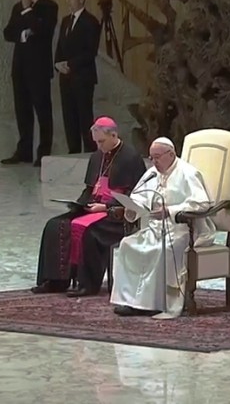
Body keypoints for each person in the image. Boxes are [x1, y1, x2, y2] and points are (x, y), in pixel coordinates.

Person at [32, 116, 146, 295]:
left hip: (117, 215)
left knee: (88, 232)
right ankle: (55, 282)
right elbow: (89, 189)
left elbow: (135, 194)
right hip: (93, 208)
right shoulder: (96, 157)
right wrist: (80, 205)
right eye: (96, 142)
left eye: (101, 141)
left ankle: (88, 285)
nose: (99, 146)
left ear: (113, 135)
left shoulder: (131, 157)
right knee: (55, 225)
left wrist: (106, 207)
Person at [110, 137, 216, 316]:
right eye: (151, 157)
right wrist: (132, 208)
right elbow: (139, 196)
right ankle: (130, 301)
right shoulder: (152, 173)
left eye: (157, 157)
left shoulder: (188, 173)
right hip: (155, 228)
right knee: (128, 245)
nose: (154, 162)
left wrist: (170, 211)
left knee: (162, 249)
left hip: (183, 229)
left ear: (171, 154)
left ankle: (158, 302)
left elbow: (202, 203)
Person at [1, 0, 59, 167]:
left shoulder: (49, 6)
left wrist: (27, 12)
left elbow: (43, 31)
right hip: (20, 66)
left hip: (39, 68)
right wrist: (24, 33)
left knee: (43, 111)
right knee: (22, 110)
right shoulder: (17, 7)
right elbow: (8, 32)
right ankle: (24, 150)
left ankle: (44, 152)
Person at [54, 0, 102, 154]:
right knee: (69, 117)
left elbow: (90, 51)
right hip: (66, 78)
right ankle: (73, 151)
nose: (69, 1)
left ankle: (90, 152)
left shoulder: (91, 22)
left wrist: (71, 64)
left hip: (82, 77)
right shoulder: (66, 21)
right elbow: (60, 46)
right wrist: (58, 63)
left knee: (84, 117)